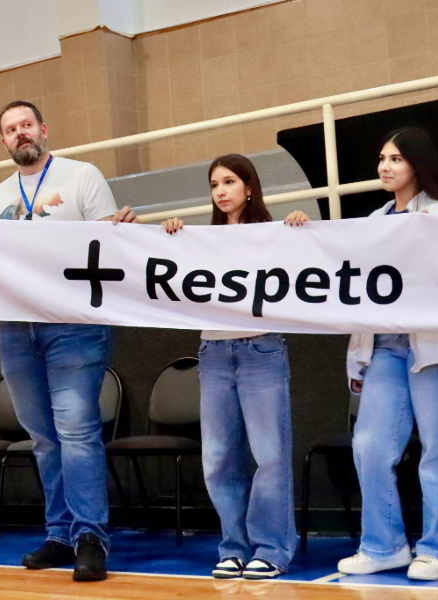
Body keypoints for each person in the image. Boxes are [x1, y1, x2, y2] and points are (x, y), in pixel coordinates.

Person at [0, 100, 137, 582]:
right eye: (10, 129)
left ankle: (90, 538)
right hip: (16, 329)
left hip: (74, 326)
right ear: (2, 142)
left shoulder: (83, 176)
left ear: (44, 129)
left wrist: (125, 233)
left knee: (77, 432)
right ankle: (59, 534)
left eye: (26, 125)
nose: (20, 133)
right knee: (42, 438)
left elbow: (109, 244)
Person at [286, 127, 438, 581]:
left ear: (417, 164)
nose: (385, 167)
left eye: (396, 159)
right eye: (381, 158)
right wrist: (301, 230)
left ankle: (437, 551)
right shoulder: (371, 222)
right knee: (370, 447)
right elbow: (356, 292)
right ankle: (384, 545)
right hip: (386, 349)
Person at [163, 154, 296, 580]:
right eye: (215, 184)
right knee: (218, 458)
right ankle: (233, 546)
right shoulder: (200, 238)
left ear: (249, 187)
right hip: (214, 354)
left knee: (270, 456)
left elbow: (303, 270)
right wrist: (172, 237)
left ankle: (272, 548)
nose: (221, 191)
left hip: (261, 352)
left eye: (230, 182)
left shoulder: (273, 234)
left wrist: (298, 230)